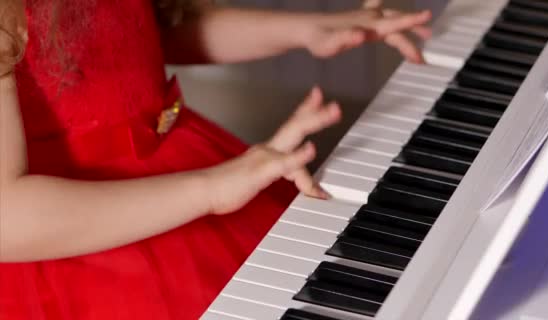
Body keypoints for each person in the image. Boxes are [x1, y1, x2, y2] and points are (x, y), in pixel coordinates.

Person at [0, 0, 431, 318]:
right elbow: (8, 217)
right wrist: (216, 187)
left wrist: (310, 29)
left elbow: (152, 24)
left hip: (180, 157)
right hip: (78, 232)